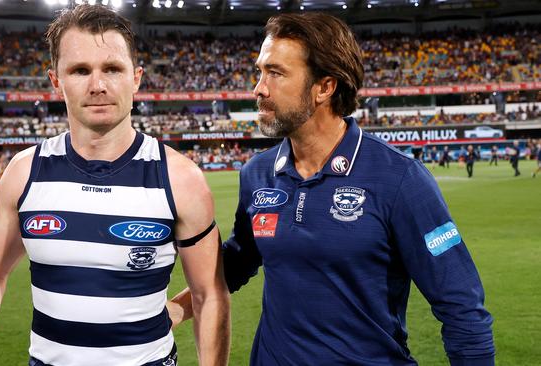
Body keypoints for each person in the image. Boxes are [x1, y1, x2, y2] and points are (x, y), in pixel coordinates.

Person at [171, 13, 494, 366]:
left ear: (325, 87)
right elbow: (238, 261)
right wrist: (173, 309)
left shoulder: (400, 178)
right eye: (260, 71)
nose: (259, 88)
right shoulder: (257, 174)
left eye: (276, 73)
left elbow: (461, 308)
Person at [0, 5, 230, 366]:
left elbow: (209, 295)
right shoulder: (24, 172)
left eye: (112, 68)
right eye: (80, 70)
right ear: (56, 81)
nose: (98, 85)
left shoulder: (181, 178)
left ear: (137, 77)